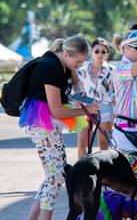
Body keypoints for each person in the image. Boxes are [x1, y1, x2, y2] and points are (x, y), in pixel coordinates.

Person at [20, 36, 99, 220]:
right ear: (65, 53)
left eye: (82, 62)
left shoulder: (66, 64)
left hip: (45, 122)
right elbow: (56, 111)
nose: (79, 65)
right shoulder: (50, 68)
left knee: (53, 176)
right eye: (77, 61)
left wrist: (83, 96)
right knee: (56, 177)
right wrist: (84, 111)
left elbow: (77, 83)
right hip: (41, 121)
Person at [76, 38, 116, 159]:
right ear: (91, 52)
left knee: (104, 143)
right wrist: (78, 105)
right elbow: (76, 92)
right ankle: (81, 172)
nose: (100, 54)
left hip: (105, 107)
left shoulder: (112, 71)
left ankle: (105, 175)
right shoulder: (82, 71)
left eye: (103, 51)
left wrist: (116, 112)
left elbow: (115, 93)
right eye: (97, 51)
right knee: (83, 143)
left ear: (107, 53)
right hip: (86, 107)